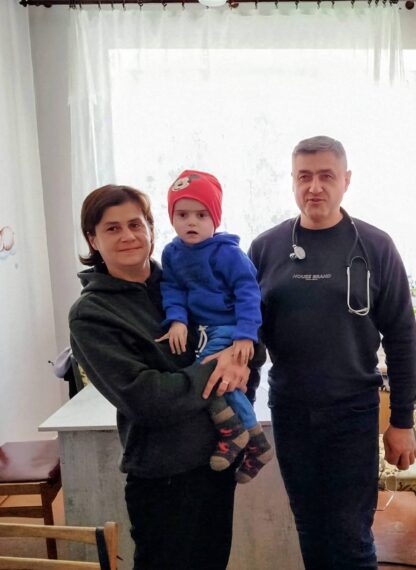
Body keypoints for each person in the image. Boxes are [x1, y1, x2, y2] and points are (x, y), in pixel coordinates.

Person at [248, 135, 416, 569]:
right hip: (291, 411)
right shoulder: (265, 249)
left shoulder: (375, 246)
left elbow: (402, 337)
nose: (315, 187)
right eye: (304, 176)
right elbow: (250, 339)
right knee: (310, 525)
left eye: (326, 176)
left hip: (352, 412)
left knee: (351, 533)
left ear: (346, 180)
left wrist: (402, 420)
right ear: (292, 181)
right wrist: (241, 408)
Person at [69, 184, 259, 570]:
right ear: (92, 239)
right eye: (112, 228)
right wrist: (219, 367)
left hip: (216, 463)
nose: (127, 236)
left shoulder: (184, 279)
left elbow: (249, 344)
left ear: (152, 230)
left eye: (135, 224)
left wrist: (240, 363)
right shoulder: (91, 314)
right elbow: (149, 399)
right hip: (164, 477)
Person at [157, 169, 273, 483]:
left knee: (208, 377)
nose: (191, 222)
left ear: (215, 219)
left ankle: (234, 432)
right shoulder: (172, 253)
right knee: (221, 382)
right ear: (171, 218)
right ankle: (256, 442)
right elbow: (172, 289)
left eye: (201, 214)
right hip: (200, 330)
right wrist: (177, 319)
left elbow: (249, 292)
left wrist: (246, 335)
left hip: (228, 327)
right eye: (182, 214)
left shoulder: (227, 253)